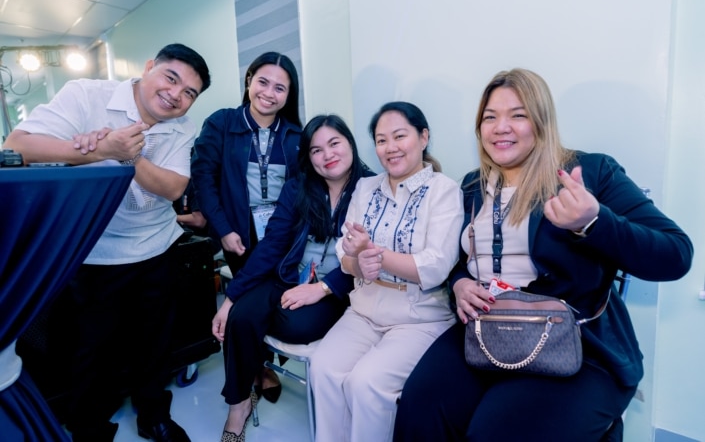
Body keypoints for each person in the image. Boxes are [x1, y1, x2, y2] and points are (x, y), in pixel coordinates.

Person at [393, 68, 694, 442]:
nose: (501, 127)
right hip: (489, 330)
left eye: (517, 115)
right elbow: (454, 260)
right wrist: (460, 284)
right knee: (419, 408)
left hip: (578, 345)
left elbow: (676, 254)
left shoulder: (589, 172)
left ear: (541, 120)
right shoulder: (471, 186)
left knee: (493, 432)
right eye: (490, 117)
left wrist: (594, 221)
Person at [4, 43, 211, 442]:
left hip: (156, 246)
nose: (176, 95)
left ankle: (154, 416)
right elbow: (17, 147)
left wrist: (128, 157)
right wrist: (98, 149)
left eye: (189, 93)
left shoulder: (182, 129)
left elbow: (173, 188)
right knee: (91, 349)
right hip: (93, 249)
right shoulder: (87, 95)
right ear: (148, 67)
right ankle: (90, 427)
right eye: (171, 78)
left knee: (156, 342)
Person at [211, 114, 374, 442]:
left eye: (334, 143)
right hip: (288, 276)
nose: (326, 155)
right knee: (240, 316)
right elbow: (272, 246)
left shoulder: (371, 189)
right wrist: (231, 298)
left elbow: (369, 260)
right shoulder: (297, 188)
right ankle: (238, 405)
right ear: (307, 157)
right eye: (316, 150)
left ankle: (257, 366)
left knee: (295, 325)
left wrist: (322, 289)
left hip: (338, 287)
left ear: (350, 144)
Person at [309, 101, 464, 442]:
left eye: (399, 136)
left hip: (418, 317)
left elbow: (435, 267)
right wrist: (356, 259)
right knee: (322, 369)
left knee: (366, 384)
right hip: (364, 309)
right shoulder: (367, 187)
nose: (390, 148)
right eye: (381, 140)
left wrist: (373, 254)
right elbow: (345, 255)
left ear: (423, 137)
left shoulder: (444, 190)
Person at [191, 51, 302, 276]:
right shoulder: (221, 123)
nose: (269, 93)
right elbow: (203, 181)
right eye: (263, 82)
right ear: (249, 80)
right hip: (237, 236)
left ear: (288, 95)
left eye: (279, 88)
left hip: (283, 234)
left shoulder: (296, 136)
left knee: (279, 296)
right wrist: (223, 230)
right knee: (247, 299)